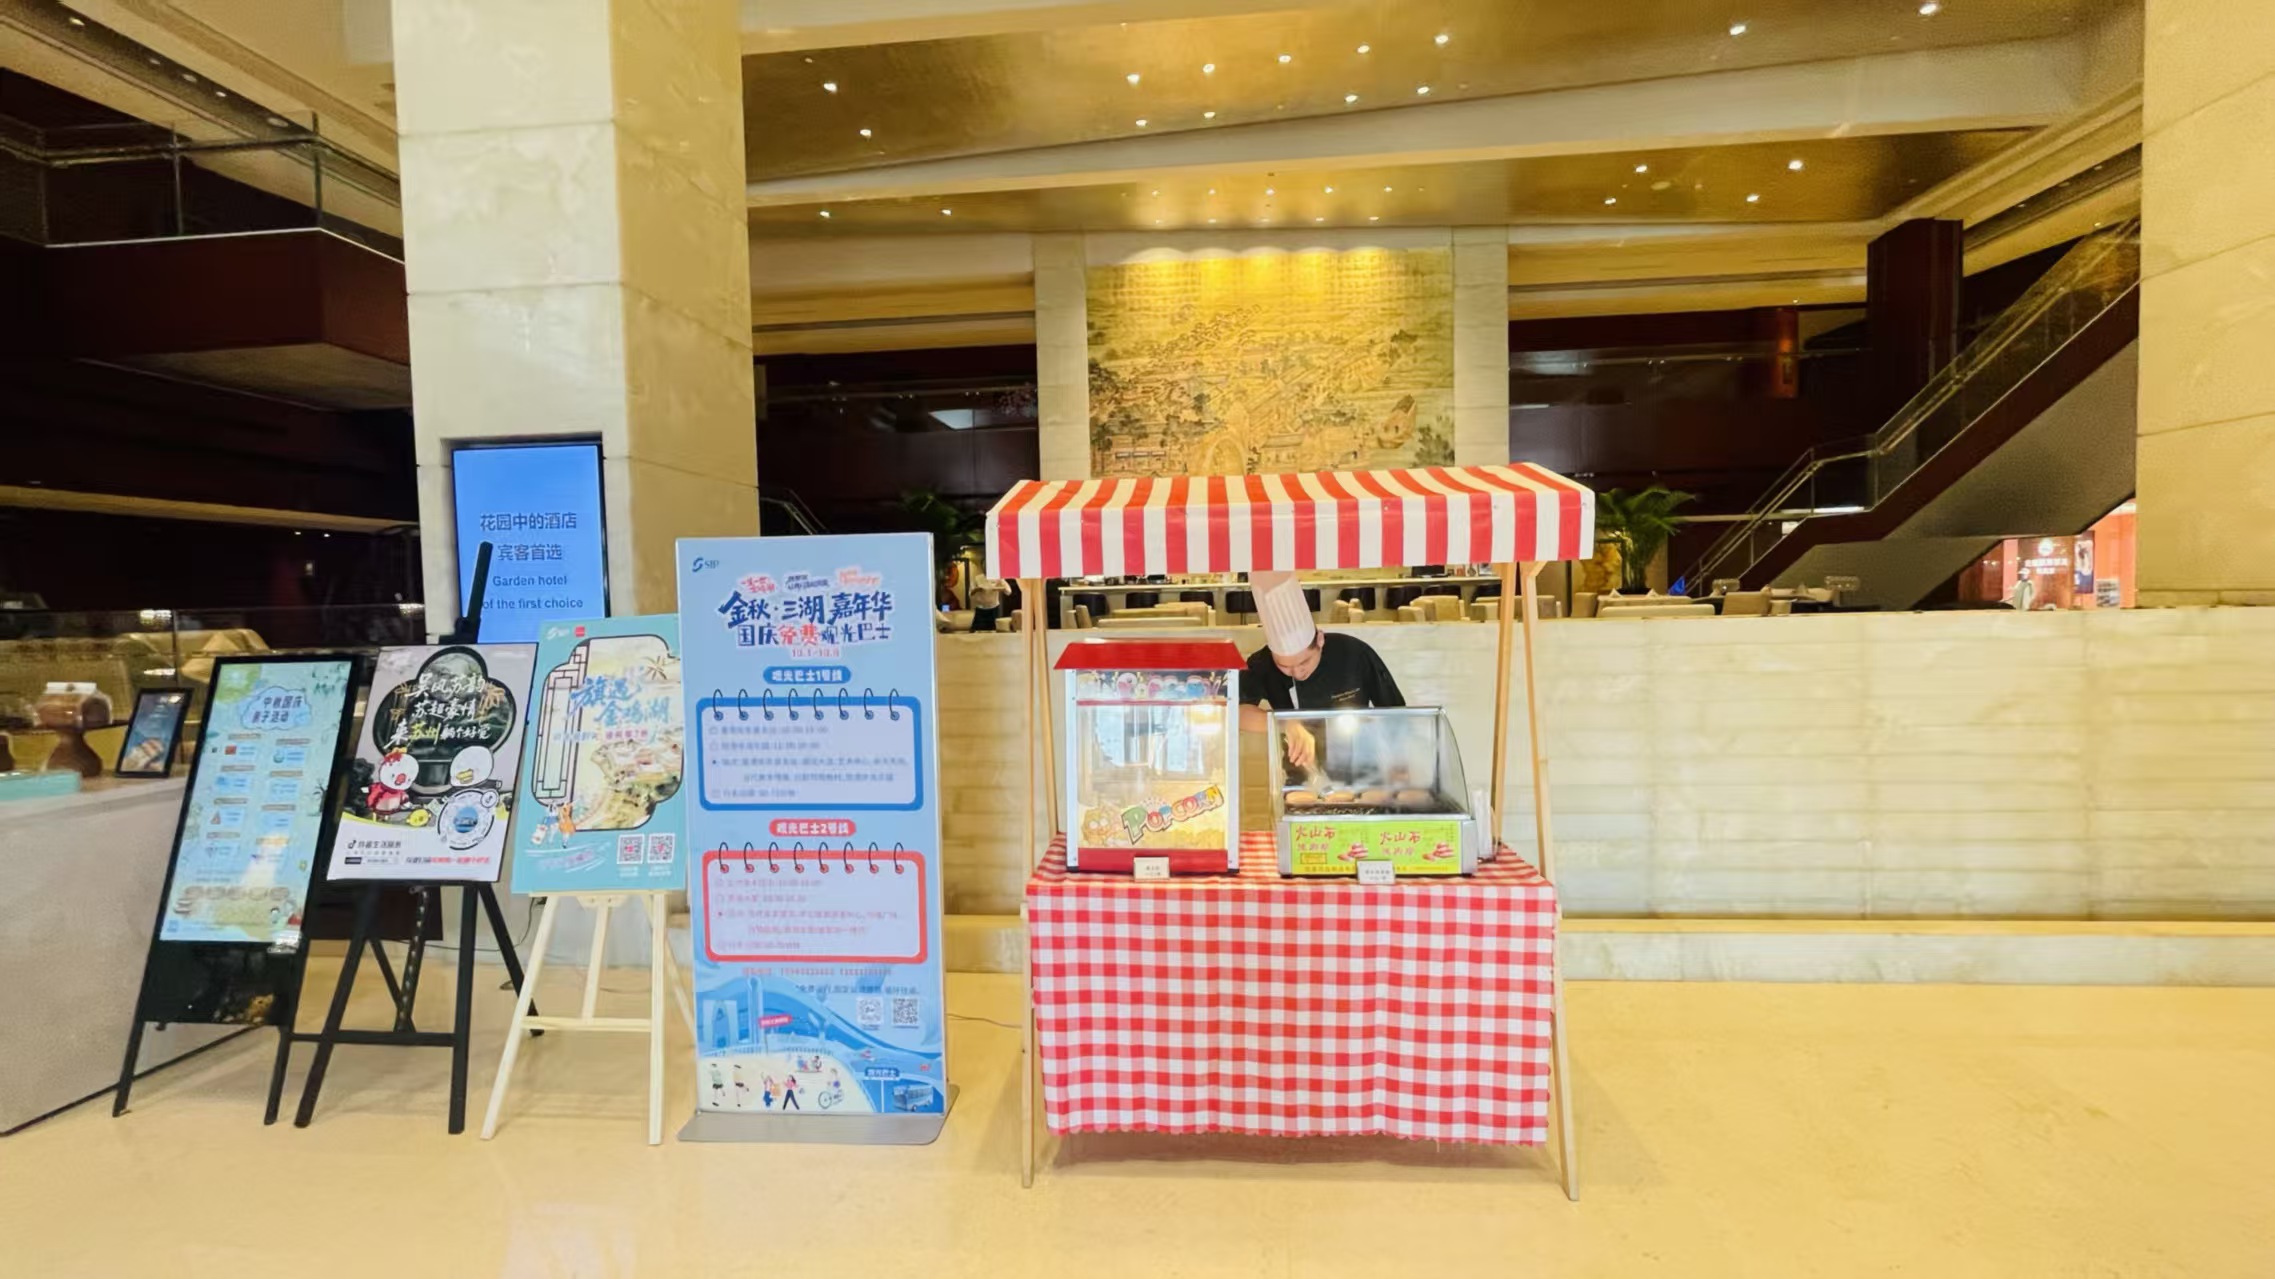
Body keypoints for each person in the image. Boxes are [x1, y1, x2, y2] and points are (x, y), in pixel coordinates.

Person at [1238, 570, 1404, 769]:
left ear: (1320, 640)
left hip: (1361, 766)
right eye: (1284, 666)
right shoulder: (1263, 663)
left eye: (1304, 662)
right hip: (1300, 771)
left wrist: (1399, 763)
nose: (1297, 673)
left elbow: (1396, 714)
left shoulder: (1353, 654)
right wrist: (1285, 723)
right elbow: (1237, 713)